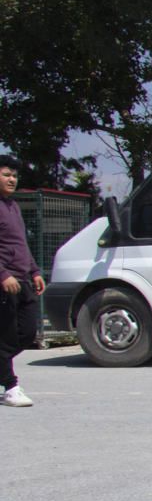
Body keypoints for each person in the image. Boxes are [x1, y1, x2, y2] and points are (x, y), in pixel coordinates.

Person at [0, 154, 45, 408]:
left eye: (15, 176)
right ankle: (10, 387)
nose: (12, 179)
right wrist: (3, 275)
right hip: (4, 281)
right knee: (5, 337)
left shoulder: (12, 205)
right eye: (6, 174)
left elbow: (21, 243)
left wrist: (35, 270)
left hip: (22, 279)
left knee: (27, 333)